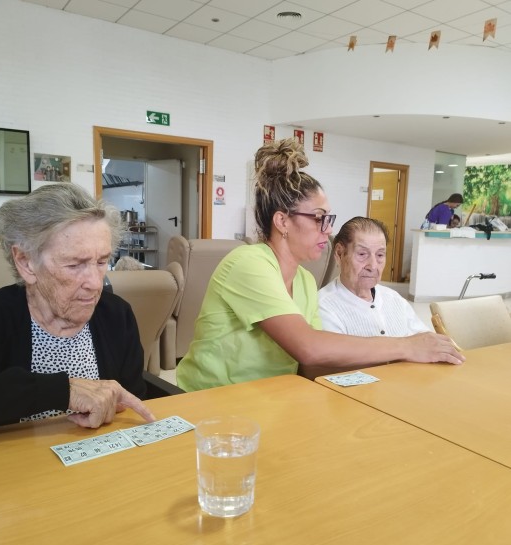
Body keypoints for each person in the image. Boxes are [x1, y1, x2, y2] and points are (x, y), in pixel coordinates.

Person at [176, 139, 464, 392]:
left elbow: (313, 363)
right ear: (282, 221)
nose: (328, 230)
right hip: (214, 402)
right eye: (319, 218)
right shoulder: (249, 263)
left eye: (329, 219)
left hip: (273, 398)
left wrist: (387, 370)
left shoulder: (303, 280)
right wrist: (405, 346)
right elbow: (309, 348)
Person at [0, 183, 156, 429]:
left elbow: (131, 406)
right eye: (75, 265)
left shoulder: (117, 315)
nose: (95, 284)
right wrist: (62, 391)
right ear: (25, 262)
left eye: (101, 262)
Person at [318, 217, 430, 337]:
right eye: (362, 254)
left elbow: (426, 339)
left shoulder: (394, 298)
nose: (373, 266)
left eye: (380, 255)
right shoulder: (323, 306)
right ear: (339, 253)